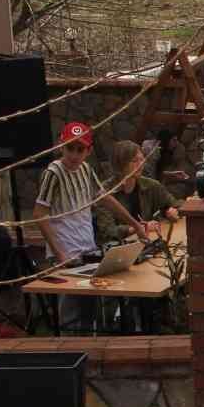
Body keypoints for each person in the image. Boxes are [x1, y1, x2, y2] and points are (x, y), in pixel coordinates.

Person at [34, 122, 150, 330]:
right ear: (62, 145)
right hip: (66, 253)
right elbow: (39, 214)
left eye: (80, 149)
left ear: (88, 151)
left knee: (89, 313)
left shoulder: (86, 169)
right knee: (70, 318)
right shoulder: (53, 173)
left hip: (86, 249)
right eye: (70, 148)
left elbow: (105, 197)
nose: (74, 155)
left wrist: (135, 224)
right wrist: (59, 255)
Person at [94, 140, 178, 245]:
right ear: (121, 164)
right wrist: (136, 228)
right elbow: (107, 231)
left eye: (142, 159)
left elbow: (175, 203)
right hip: (118, 248)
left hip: (147, 242)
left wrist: (171, 210)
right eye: (134, 161)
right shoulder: (106, 192)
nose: (140, 164)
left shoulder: (151, 185)